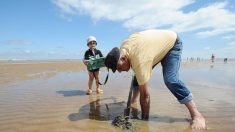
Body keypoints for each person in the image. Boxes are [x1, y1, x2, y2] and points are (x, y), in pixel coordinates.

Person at [104, 29, 206, 130]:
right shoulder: (123, 49)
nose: (120, 71)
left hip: (172, 45)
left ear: (124, 59)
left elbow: (145, 96)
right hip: (152, 49)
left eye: (119, 68)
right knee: (138, 76)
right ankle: (134, 100)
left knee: (170, 80)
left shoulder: (140, 60)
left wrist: (144, 122)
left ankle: (196, 115)